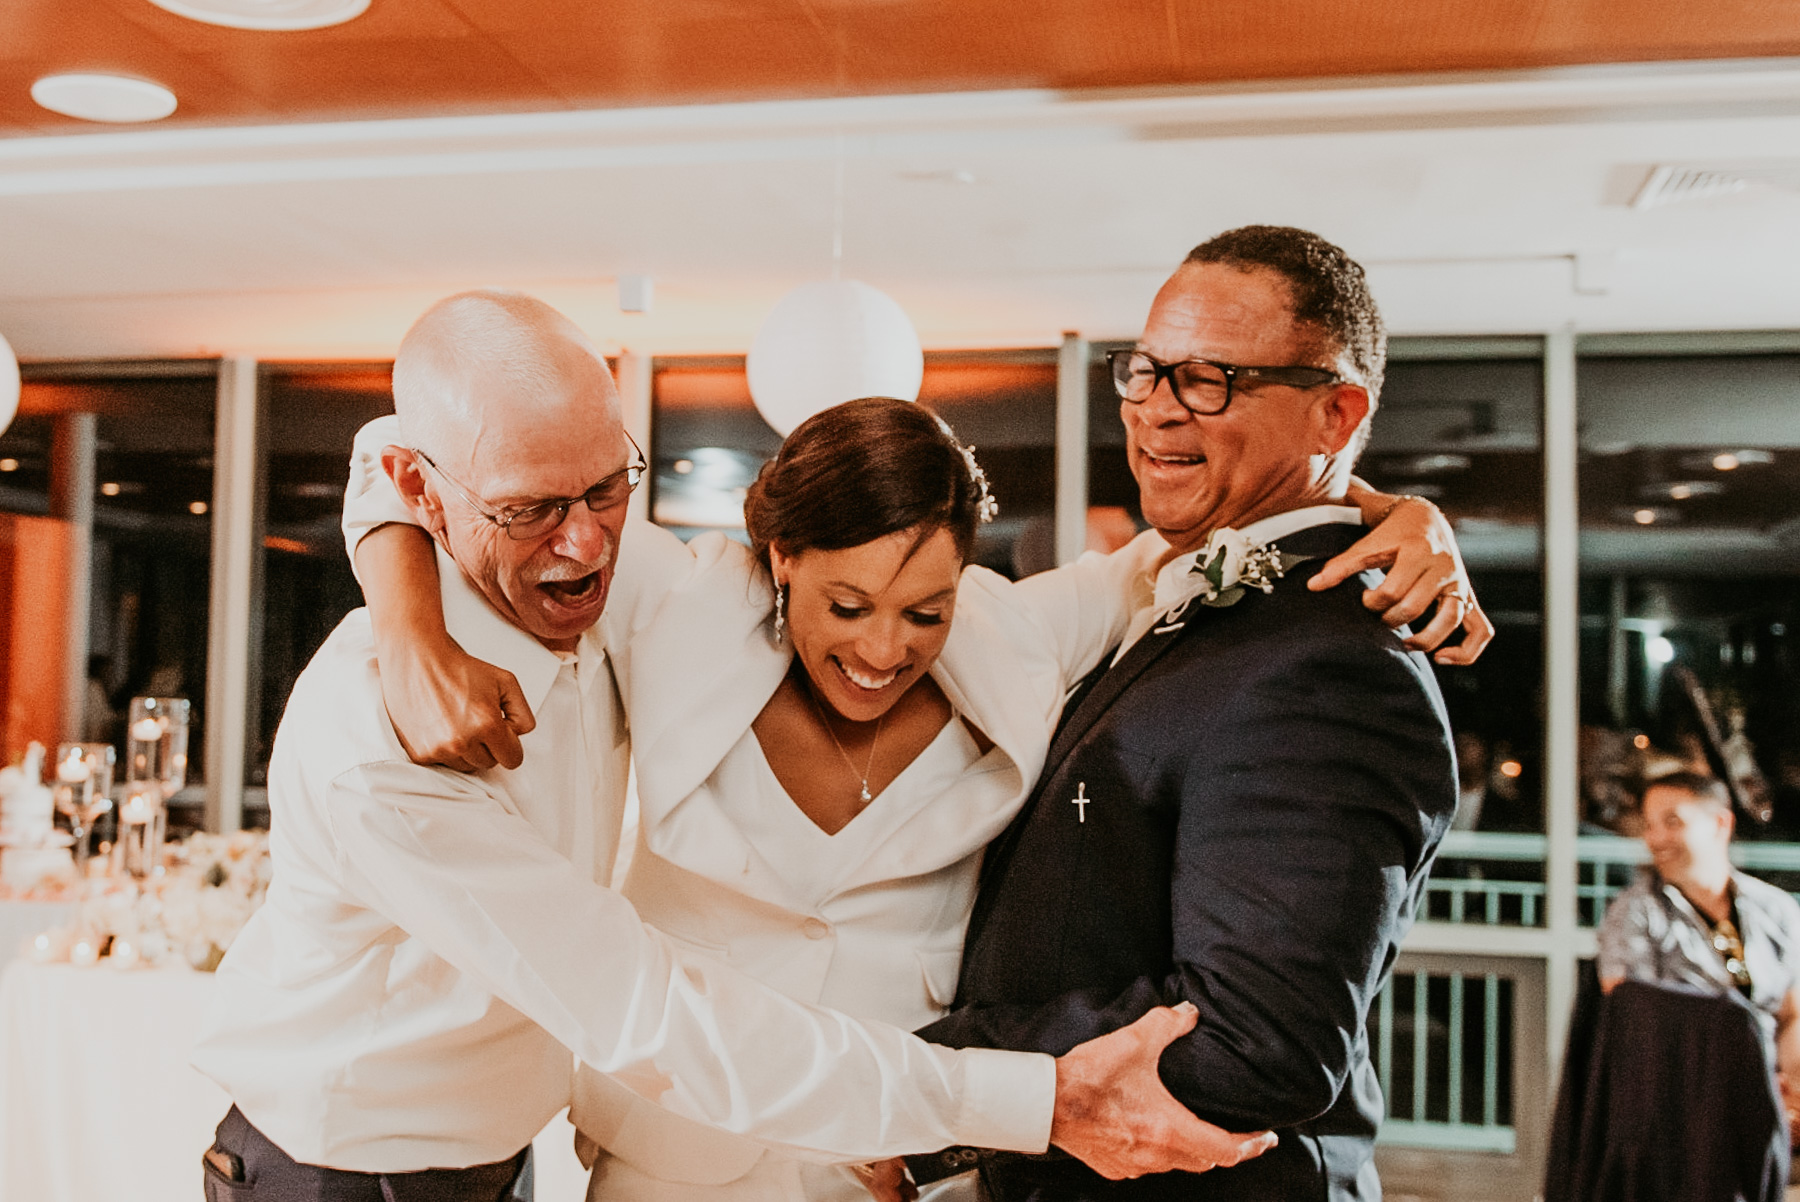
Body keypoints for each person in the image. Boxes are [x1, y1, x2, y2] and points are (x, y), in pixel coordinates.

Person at [190, 291, 1276, 1202]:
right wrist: (1023, 1099)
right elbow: (641, 1004)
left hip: (501, 1154)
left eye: (611, 485)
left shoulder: (613, 588)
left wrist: (1368, 508)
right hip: (339, 1165)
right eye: (530, 509)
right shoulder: (382, 742)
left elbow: (1151, 568)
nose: (585, 539)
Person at [345, 381, 1477, 1202]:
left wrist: (1396, 515)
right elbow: (399, 438)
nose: (885, 648)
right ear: (779, 558)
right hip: (673, 1154)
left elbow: (1227, 542)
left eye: (925, 610)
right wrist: (402, 625)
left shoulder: (1018, 633)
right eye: (845, 606)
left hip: (902, 1158)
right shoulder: (671, 603)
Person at [912, 226, 1462, 1201]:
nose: (1157, 413)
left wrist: (938, 1079)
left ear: (1335, 414)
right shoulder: (1185, 595)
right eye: (1147, 372)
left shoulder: (1329, 670)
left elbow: (1260, 1040)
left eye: (1209, 379)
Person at [1597, 770, 1800, 1141]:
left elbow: (1791, 1015)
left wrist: (1792, 1086)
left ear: (1721, 823)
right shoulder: (1636, 913)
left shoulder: (1776, 908)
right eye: (1649, 825)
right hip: (1681, 1107)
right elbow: (1632, 1012)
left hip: (1769, 1105)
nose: (1655, 839)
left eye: (1672, 822)